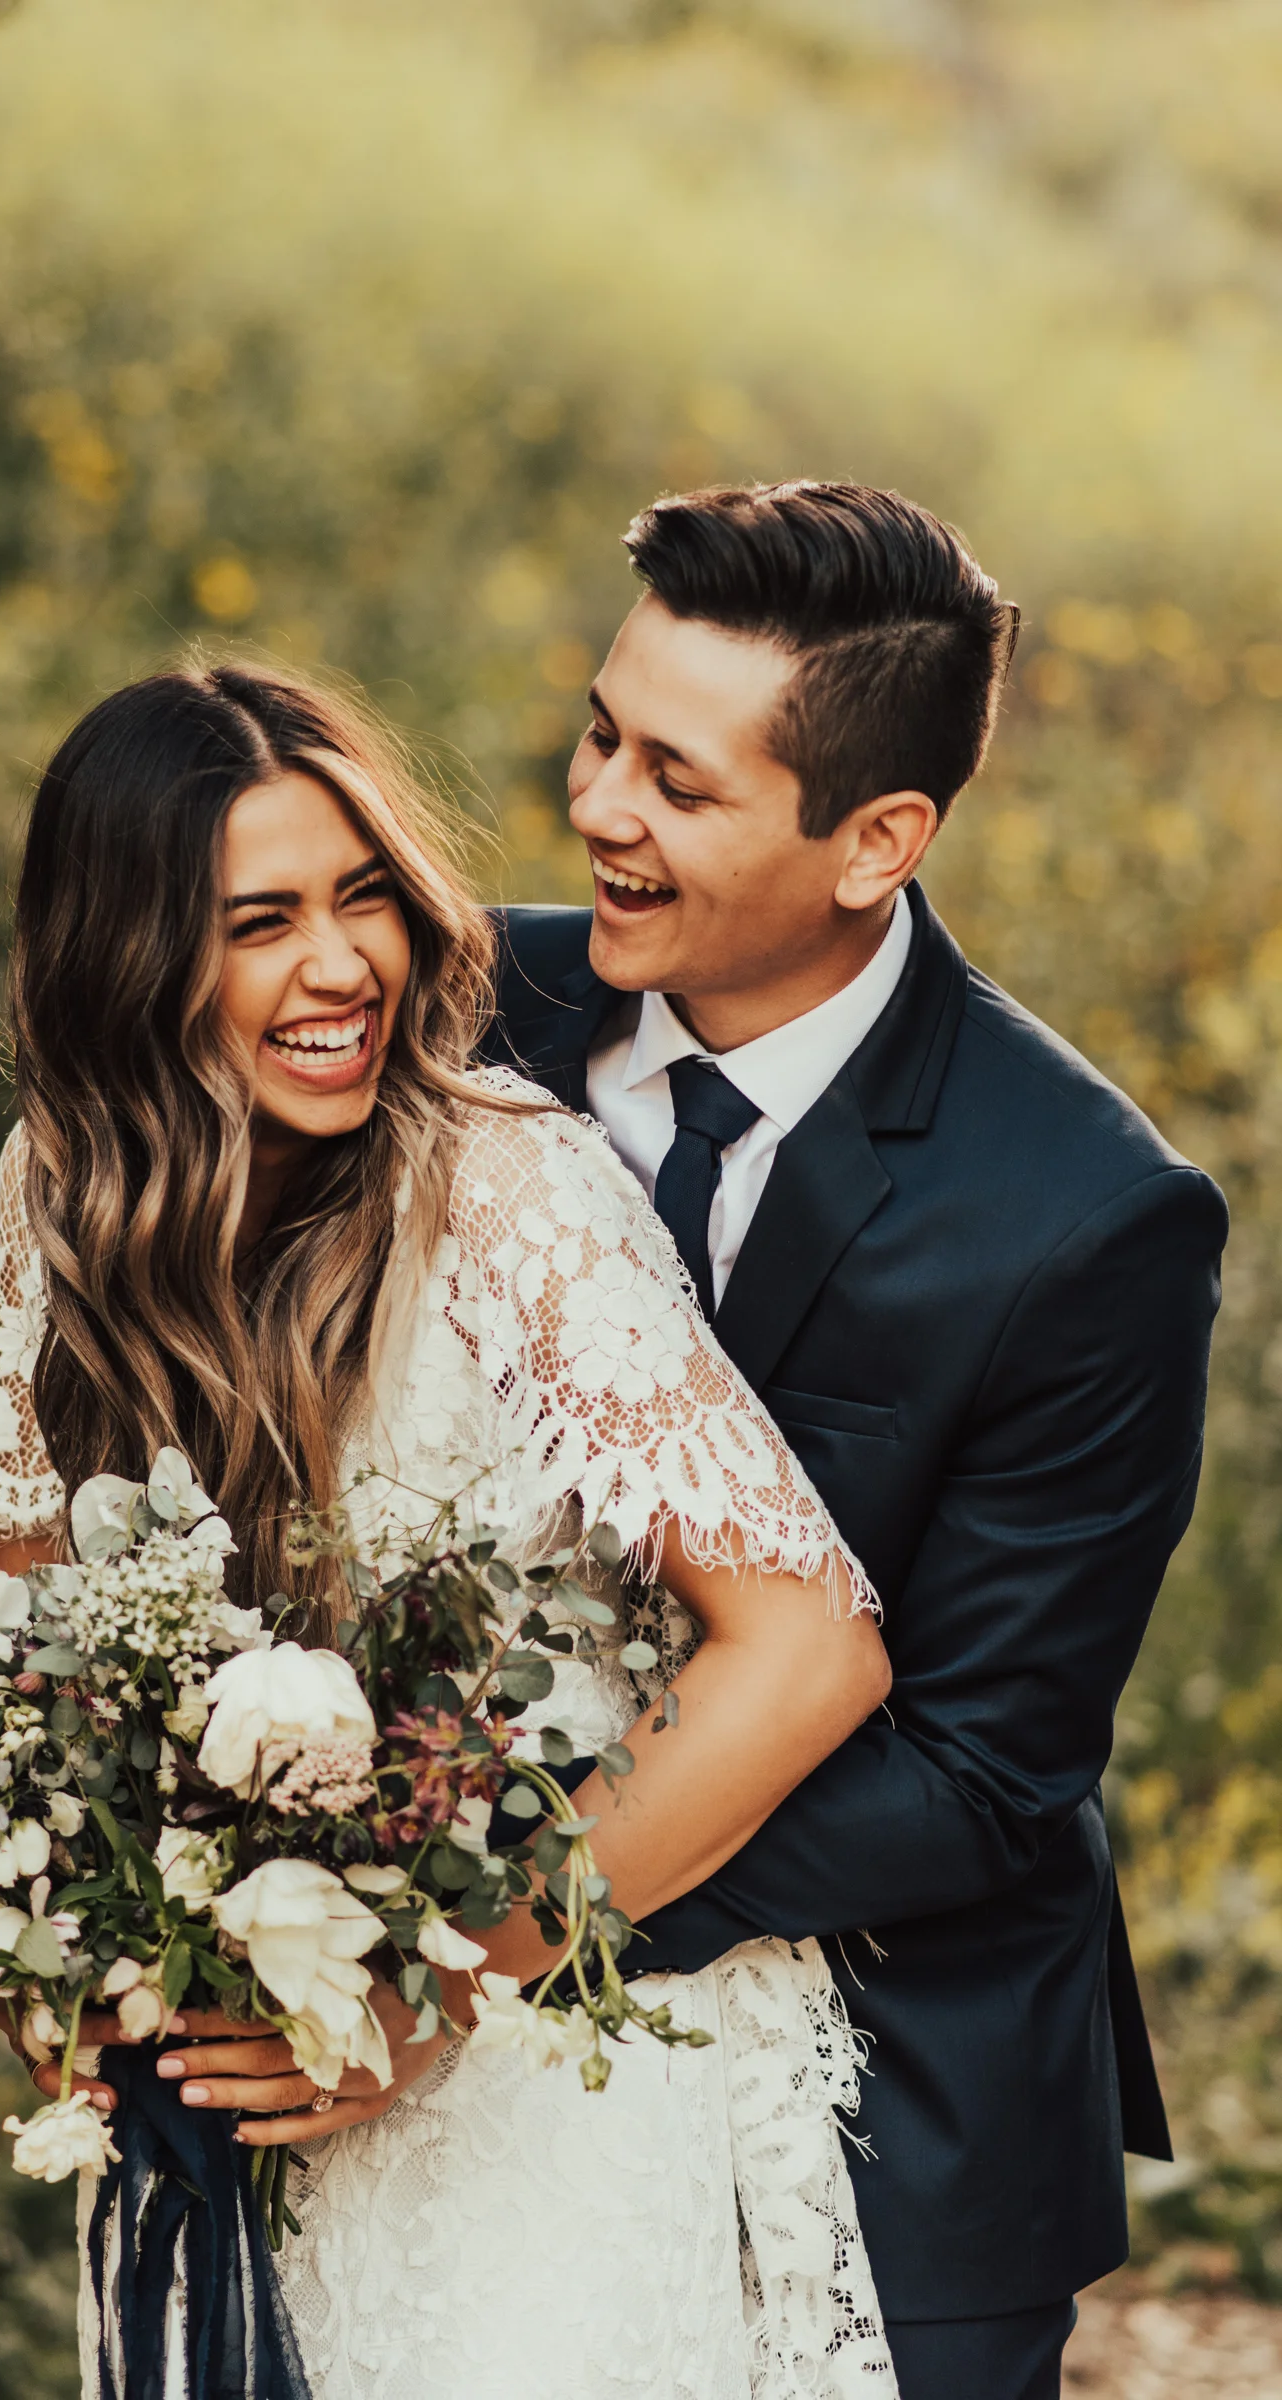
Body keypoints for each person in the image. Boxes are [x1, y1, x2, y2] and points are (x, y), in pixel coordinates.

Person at [0, 659, 897, 2399]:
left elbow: (808, 1648)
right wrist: (65, 1955)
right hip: (224, 2087)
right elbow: (27, 1610)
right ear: (127, 961)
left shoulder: (502, 1182)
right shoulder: (62, 1185)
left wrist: (430, 1994)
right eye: (260, 923)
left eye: (362, 893)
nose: (341, 967)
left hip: (537, 2072)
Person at [471, 481, 1228, 2400]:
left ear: (879, 837)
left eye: (682, 784)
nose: (600, 813)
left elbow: (987, 1769)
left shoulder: (1087, 1212)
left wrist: (506, 1913)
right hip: (455, 2084)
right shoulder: (452, 1014)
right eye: (601, 733)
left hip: (897, 2076)